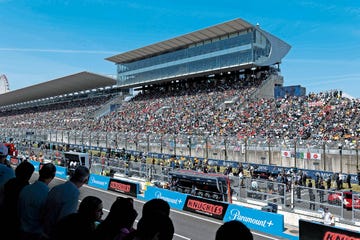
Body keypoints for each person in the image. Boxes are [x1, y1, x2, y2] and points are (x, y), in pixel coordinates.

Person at [41, 165, 90, 240]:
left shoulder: (56, 188)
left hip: (43, 230)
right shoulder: (74, 194)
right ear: (85, 181)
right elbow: (66, 221)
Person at [18, 163, 57, 240]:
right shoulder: (48, 196)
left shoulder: (25, 189)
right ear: (52, 177)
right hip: (35, 234)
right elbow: (47, 219)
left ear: (39, 172)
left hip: (20, 230)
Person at [0, 160, 35, 239]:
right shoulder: (28, 189)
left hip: (5, 216)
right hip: (18, 223)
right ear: (29, 176)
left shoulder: (9, 183)